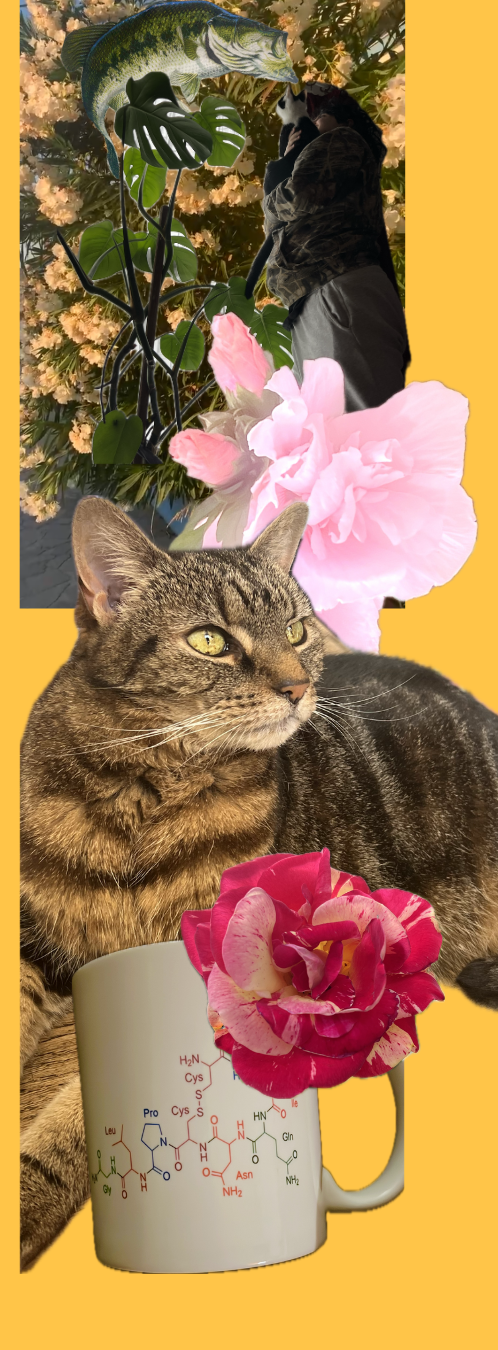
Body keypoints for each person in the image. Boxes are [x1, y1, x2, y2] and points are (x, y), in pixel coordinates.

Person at [262, 82, 410, 412]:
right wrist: (287, 159)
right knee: (341, 431)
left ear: (347, 122)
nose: (311, 126)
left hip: (336, 285)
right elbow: (279, 222)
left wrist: (276, 182)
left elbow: (298, 194)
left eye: (319, 118)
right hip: (321, 292)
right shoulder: (327, 150)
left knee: (362, 425)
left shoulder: (343, 139)